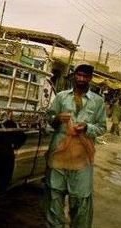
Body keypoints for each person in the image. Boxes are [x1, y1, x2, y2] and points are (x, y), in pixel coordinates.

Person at [45, 64, 106, 228]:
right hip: (59, 155)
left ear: (90, 79)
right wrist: (58, 118)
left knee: (80, 199)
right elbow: (50, 118)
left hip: (82, 159)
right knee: (54, 195)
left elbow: (102, 127)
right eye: (78, 75)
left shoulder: (98, 102)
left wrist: (87, 128)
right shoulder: (61, 97)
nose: (81, 79)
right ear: (74, 77)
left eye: (85, 76)